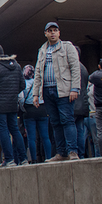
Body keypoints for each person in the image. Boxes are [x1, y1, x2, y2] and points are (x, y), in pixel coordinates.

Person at [32, 22, 81, 162]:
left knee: (67, 120)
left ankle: (73, 151)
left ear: (59, 33)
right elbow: (38, 73)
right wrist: (36, 94)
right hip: (47, 91)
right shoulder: (42, 50)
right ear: (45, 33)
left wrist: (74, 88)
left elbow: (75, 68)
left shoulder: (67, 47)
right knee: (55, 122)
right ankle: (61, 152)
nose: (52, 33)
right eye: (50, 31)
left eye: (55, 30)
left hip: (64, 91)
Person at [20, 64, 52, 163]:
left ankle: (33, 159)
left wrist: (22, 107)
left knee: (31, 138)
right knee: (45, 136)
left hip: (29, 111)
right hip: (42, 109)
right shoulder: (40, 82)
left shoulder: (23, 84)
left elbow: (20, 98)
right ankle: (48, 157)